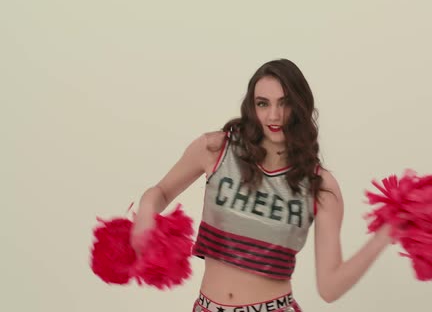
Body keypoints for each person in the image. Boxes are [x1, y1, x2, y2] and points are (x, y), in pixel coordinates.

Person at [130, 59, 398, 312]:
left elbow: (329, 287)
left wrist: (384, 235)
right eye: (263, 103)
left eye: (285, 103)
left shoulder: (319, 184)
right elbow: (162, 192)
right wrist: (146, 211)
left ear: (300, 107)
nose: (274, 115)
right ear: (252, 107)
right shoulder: (216, 149)